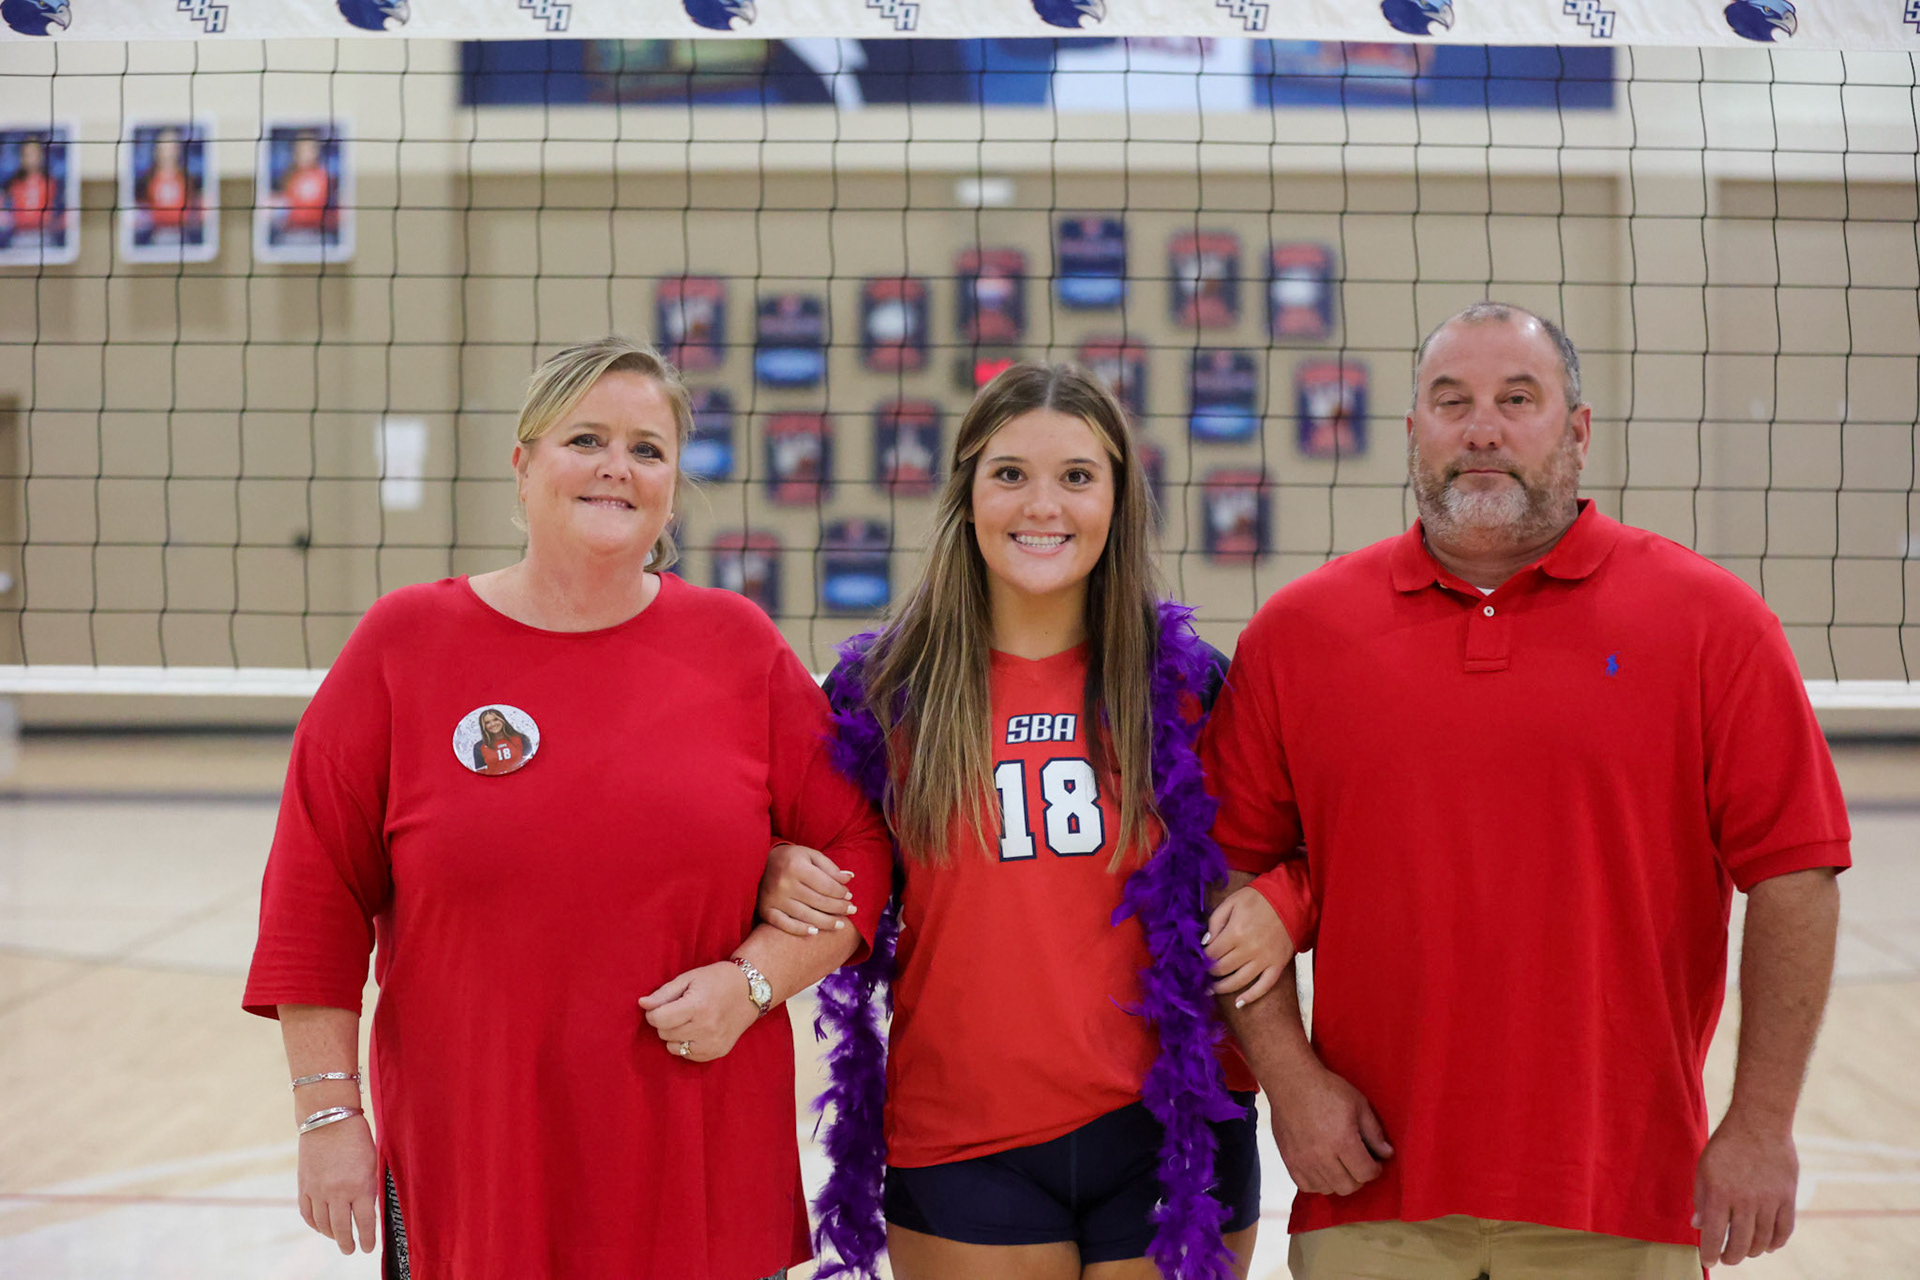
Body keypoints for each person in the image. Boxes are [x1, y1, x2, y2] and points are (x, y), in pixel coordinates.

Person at [1200, 302, 1850, 1278]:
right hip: (1370, 1189)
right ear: (1413, 431)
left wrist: (1760, 1124)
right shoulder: (1298, 635)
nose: (1483, 429)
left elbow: (1797, 874)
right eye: (1451, 401)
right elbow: (1228, 877)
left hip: (1622, 1192)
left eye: (1519, 398)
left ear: (1578, 429)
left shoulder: (1715, 624)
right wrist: (1291, 1084)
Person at [243, 336, 894, 1280]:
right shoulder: (405, 645)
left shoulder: (736, 646)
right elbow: (314, 895)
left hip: (694, 1141)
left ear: (673, 482)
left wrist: (754, 980)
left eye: (647, 448)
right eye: (585, 438)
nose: (615, 468)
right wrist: (330, 1115)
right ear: (523, 464)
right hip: (482, 1152)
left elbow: (861, 847)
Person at [760, 363, 1307, 1280]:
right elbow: (810, 847)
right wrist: (779, 861)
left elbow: (1312, 837)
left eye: (1077, 476)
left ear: (1118, 499)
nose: (1041, 504)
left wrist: (1288, 899)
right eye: (1009, 473)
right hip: (966, 1136)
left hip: (1171, 1130)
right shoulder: (881, 693)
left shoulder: (1191, 683)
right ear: (966, 495)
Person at [137, 126, 198, 239]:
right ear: (156, 149)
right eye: (165, 145)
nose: (169, 150)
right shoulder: (146, 179)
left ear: (178, 150)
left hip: (183, 233)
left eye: (173, 145)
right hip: (153, 234)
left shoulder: (188, 179)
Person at [273, 130, 336, 239]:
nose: (305, 153)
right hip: (291, 234)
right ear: (295, 151)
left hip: (318, 234)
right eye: (302, 149)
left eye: (309, 149)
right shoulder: (287, 177)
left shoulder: (325, 177)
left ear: (316, 151)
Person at [468, 706, 530, 775]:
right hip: (495, 783)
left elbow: (529, 764)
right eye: (487, 722)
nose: (493, 724)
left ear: (502, 720)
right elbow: (481, 772)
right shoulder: (479, 747)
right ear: (483, 726)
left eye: (495, 719)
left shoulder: (521, 738)